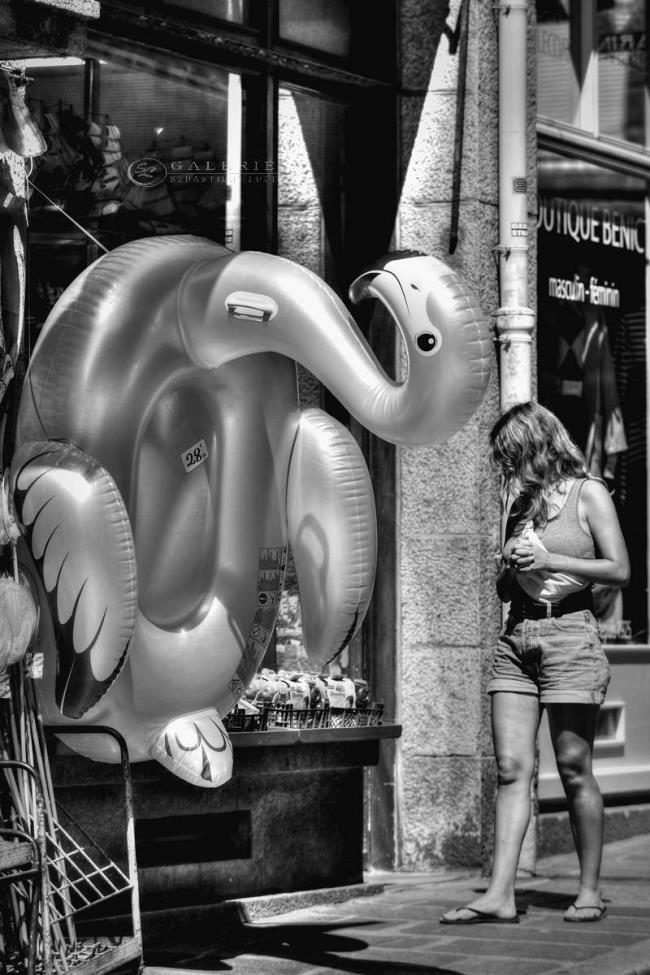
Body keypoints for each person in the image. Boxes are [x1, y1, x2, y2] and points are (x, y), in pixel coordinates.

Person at [441, 401, 630, 926]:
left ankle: (588, 891)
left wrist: (550, 559)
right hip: (516, 637)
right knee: (510, 770)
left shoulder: (588, 493)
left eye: (511, 456)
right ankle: (500, 894)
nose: (505, 469)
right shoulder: (519, 503)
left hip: (571, 634)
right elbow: (506, 584)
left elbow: (619, 569)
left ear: (537, 448)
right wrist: (508, 567)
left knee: (573, 770)